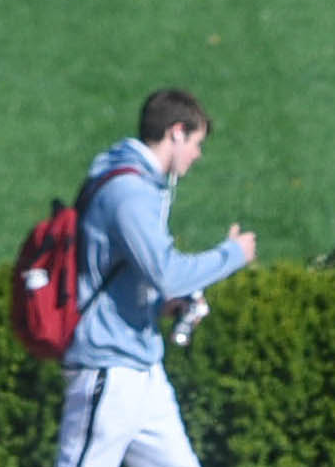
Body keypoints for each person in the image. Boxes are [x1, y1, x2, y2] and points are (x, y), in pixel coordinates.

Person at [57, 89, 257, 467]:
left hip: (140, 367)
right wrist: (232, 254)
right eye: (197, 143)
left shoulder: (135, 185)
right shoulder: (129, 192)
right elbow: (166, 273)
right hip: (109, 367)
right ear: (176, 132)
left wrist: (160, 306)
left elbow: (134, 275)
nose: (197, 155)